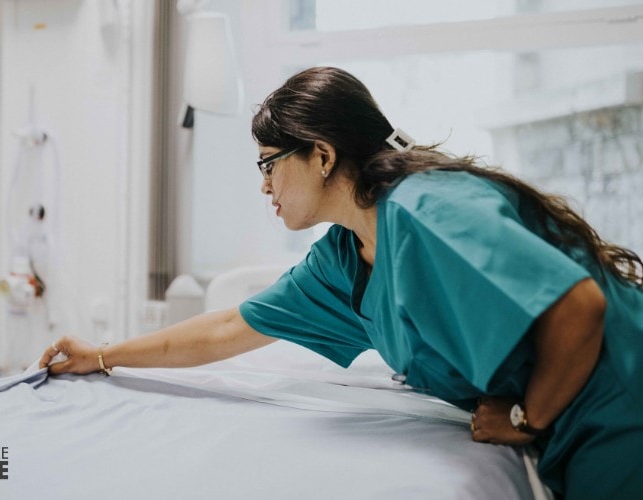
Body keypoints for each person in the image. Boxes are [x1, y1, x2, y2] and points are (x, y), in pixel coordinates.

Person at [40, 66, 643, 498]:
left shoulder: (427, 207)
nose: (263, 186)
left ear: (322, 156)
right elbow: (228, 325)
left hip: (620, 404)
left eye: (268, 164)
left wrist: (525, 420)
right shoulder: (343, 261)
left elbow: (579, 307)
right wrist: (102, 355)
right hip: (572, 429)